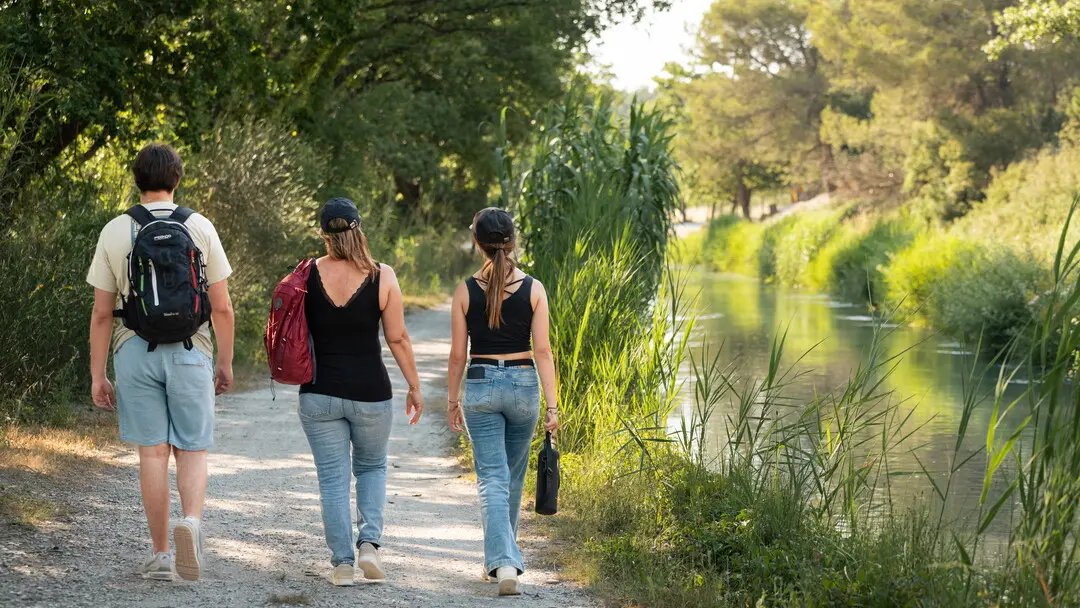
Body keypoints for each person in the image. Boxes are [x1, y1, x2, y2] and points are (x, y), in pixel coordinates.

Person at [88, 143, 235, 582]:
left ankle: (161, 555)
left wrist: (98, 374)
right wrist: (225, 362)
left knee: (152, 454)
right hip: (192, 350)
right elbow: (222, 307)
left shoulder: (116, 230)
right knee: (191, 447)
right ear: (177, 179)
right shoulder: (200, 227)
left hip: (134, 351)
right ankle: (191, 522)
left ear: (136, 179)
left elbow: (101, 313)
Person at [298, 197, 424, 586]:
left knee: (332, 478)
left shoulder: (306, 274)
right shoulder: (382, 275)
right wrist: (414, 386)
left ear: (323, 233)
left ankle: (342, 564)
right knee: (371, 467)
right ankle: (369, 545)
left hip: (318, 392)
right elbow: (398, 338)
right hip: (371, 392)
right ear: (359, 229)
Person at [446, 207, 558, 596]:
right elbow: (543, 352)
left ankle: (502, 561)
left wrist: (452, 400)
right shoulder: (534, 288)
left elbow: (457, 356)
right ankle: (503, 559)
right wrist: (553, 407)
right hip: (524, 383)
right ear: (512, 242)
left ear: (477, 242)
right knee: (510, 475)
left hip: (480, 383)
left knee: (493, 477)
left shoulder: (464, 290)